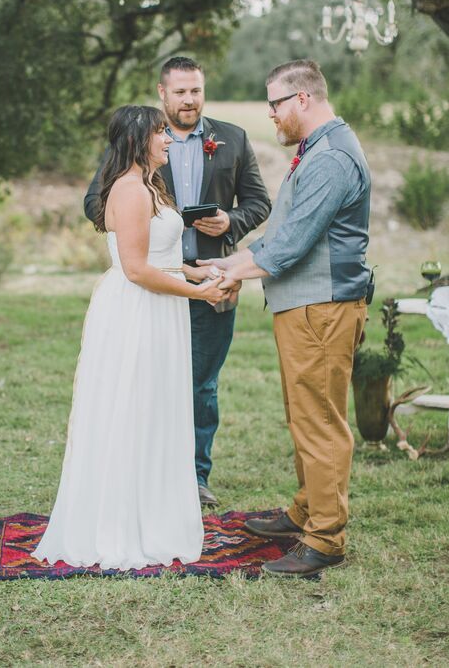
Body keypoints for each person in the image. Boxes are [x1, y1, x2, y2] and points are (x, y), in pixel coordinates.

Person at [31, 105, 228, 571]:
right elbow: (137, 269)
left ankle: (152, 513)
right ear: (140, 139)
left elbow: (159, 256)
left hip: (159, 308)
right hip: (138, 311)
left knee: (156, 406)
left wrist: (198, 270)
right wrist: (199, 294)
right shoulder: (128, 189)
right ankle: (124, 526)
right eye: (161, 132)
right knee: (134, 405)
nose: (168, 139)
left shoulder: (148, 186)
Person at [201, 59, 371, 578]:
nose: (270, 114)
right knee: (304, 414)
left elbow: (291, 246)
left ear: (302, 99)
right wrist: (227, 262)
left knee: (319, 421)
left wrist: (234, 276)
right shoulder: (316, 150)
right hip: (304, 306)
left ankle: (325, 538)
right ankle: (307, 509)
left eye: (274, 103)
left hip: (323, 307)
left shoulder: (332, 158)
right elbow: (284, 231)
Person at [84, 58, 271, 507]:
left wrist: (229, 221)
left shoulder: (233, 139)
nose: (190, 99)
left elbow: (260, 203)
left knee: (201, 386)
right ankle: (148, 474)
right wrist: (138, 225)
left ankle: (195, 477)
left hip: (212, 279)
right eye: (181, 92)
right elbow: (96, 200)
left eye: (197, 91)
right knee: (149, 383)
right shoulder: (136, 143)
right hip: (149, 287)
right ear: (162, 93)